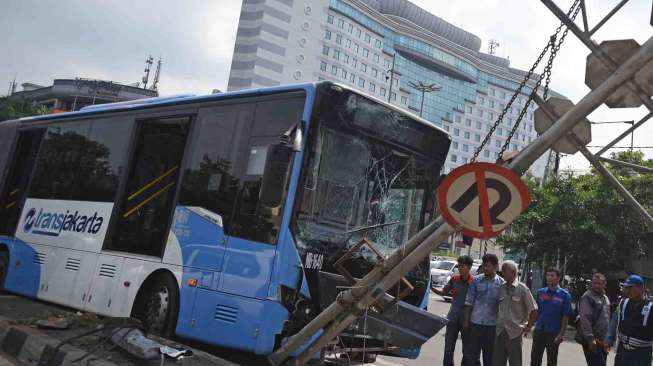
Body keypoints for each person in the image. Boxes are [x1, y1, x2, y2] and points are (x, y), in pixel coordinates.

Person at [493, 260, 537, 366]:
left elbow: (534, 310)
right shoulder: (501, 287)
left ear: (512, 272)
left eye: (504, 271)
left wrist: (528, 326)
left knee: (515, 362)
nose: (502, 273)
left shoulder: (522, 289)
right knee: (497, 362)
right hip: (499, 331)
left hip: (514, 333)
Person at [464, 254, 505, 366]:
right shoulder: (476, 281)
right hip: (475, 324)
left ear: (496, 267)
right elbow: (469, 302)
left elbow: (503, 306)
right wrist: (466, 322)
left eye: (488, 266)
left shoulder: (501, 284)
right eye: (484, 266)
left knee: (489, 357)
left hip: (492, 326)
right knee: (472, 356)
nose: (485, 268)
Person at [433, 255, 474, 366]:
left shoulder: (474, 282)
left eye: (463, 266)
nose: (460, 268)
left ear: (469, 267)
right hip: (452, 318)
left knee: (466, 350)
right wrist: (430, 287)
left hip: (467, 321)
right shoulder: (454, 279)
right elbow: (443, 293)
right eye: (459, 266)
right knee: (448, 348)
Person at [606, 274, 653, 366]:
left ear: (640, 288)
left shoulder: (651, 307)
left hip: (641, 355)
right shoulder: (623, 303)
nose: (626, 291)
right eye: (626, 288)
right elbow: (614, 321)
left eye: (630, 288)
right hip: (623, 352)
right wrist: (608, 339)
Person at [530, 267, 572, 366]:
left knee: (551, 361)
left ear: (558, 278)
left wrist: (561, 334)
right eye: (548, 275)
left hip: (553, 333)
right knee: (535, 359)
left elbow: (566, 317)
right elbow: (536, 311)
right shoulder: (541, 292)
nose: (549, 278)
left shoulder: (565, 295)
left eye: (552, 275)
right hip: (539, 330)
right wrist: (530, 326)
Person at [577, 273, 611, 366]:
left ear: (604, 284)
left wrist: (608, 340)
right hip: (592, 341)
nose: (596, 285)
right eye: (594, 283)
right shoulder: (587, 297)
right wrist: (590, 338)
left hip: (602, 342)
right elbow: (585, 319)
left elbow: (607, 319)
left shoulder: (606, 298)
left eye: (599, 283)